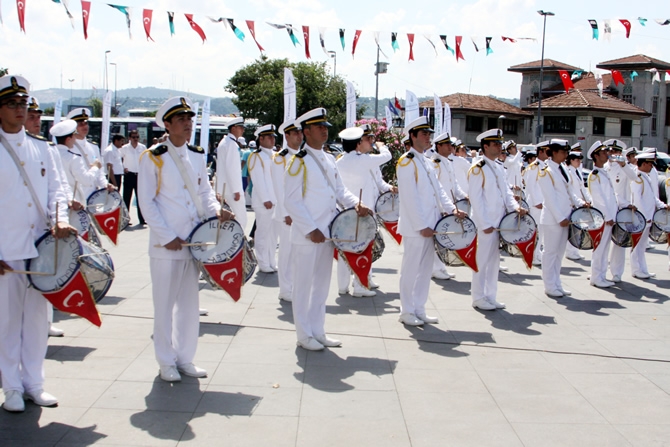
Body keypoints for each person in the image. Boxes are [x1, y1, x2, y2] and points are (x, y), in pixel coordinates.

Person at [138, 97, 233, 382]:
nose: (188, 123)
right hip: (166, 245)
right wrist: (167, 236)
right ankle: (165, 360)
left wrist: (216, 212)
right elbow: (147, 202)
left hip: (194, 241)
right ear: (166, 124)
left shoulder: (196, 154)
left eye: (189, 118)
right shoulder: (153, 157)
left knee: (189, 305)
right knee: (164, 305)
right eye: (181, 119)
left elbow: (204, 192)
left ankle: (185, 358)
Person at [0, 75, 75, 412]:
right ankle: (11, 386)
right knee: (6, 321)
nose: (20, 110)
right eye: (12, 104)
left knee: (37, 319)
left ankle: (34, 382)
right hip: (7, 250)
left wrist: (61, 220)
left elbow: (57, 188)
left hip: (42, 248)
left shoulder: (42, 146)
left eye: (23, 104)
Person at [284, 108, 372, 350]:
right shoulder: (297, 162)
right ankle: (304, 335)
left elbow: (340, 191)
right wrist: (310, 229)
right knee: (303, 287)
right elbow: (291, 201)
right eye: (318, 126)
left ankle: (318, 330)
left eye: (325, 126)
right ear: (306, 131)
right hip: (308, 235)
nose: (324, 130)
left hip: (328, 232)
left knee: (321, 286)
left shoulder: (329, 159)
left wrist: (357, 204)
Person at [396, 117, 464, 325]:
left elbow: (439, 191)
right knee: (411, 269)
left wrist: (451, 209)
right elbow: (409, 197)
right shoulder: (406, 162)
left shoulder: (426, 162)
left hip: (431, 225)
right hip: (416, 227)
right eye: (424, 134)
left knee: (425, 270)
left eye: (429, 134)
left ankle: (419, 307)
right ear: (413, 136)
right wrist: (421, 225)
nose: (428, 138)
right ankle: (406, 310)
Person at [468, 129, 526, 311]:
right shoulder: (478, 169)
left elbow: (506, 192)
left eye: (500, 143)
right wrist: (485, 223)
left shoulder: (498, 167)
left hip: (499, 223)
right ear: (485, 146)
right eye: (496, 144)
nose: (500, 146)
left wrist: (515, 208)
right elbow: (475, 198)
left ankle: (490, 296)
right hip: (485, 224)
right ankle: (478, 297)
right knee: (482, 262)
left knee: (494, 262)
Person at [335, 125, 392, 297]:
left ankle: (343, 286)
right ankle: (360, 286)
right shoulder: (364, 160)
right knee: (363, 248)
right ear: (358, 144)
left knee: (344, 248)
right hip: (363, 210)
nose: (371, 142)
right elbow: (387, 156)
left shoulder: (338, 161)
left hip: (345, 211)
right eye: (367, 140)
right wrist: (382, 146)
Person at [537, 139, 585, 297]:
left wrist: (581, 203)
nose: (566, 155)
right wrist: (559, 217)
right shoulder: (546, 171)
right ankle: (549, 285)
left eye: (566, 152)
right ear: (554, 153)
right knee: (550, 252)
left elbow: (570, 191)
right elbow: (549, 198)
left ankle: (557, 283)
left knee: (559, 253)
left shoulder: (563, 168)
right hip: (553, 219)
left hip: (566, 216)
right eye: (563, 152)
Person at [272, 119, 302, 302]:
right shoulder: (280, 158)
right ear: (287, 136)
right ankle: (285, 289)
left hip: (300, 212)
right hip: (287, 215)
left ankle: (293, 286)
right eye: (295, 133)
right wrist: (286, 213)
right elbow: (279, 188)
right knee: (286, 252)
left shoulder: (302, 156)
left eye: (300, 132)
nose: (299, 136)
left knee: (297, 252)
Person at [430, 132, 467, 280]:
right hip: (440, 207)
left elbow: (454, 185)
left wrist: (464, 196)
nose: (450, 147)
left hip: (450, 205)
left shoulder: (448, 162)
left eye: (451, 145)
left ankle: (441, 267)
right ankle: (435, 268)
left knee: (443, 239)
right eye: (447, 145)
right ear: (439, 146)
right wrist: (443, 208)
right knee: (437, 239)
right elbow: (436, 189)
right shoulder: (435, 164)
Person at [630, 152, 668, 279]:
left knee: (642, 245)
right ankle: (636, 269)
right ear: (644, 163)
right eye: (650, 164)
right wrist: (644, 217)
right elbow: (637, 199)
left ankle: (643, 269)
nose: (652, 166)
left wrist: (662, 205)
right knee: (637, 245)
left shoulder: (645, 176)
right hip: (641, 217)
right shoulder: (637, 177)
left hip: (648, 217)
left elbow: (651, 197)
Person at [248, 124, 279, 273]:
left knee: (273, 235)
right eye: (269, 137)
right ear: (261, 138)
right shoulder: (256, 156)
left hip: (275, 201)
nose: (273, 140)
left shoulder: (274, 155)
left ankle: (271, 261)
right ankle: (262, 262)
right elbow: (258, 179)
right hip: (263, 202)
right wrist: (265, 198)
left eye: (273, 137)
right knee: (262, 233)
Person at [605, 139, 637, 283]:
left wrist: (623, 164)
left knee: (619, 243)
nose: (613, 154)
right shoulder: (603, 167)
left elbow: (634, 178)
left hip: (621, 209)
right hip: (606, 208)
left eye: (616, 152)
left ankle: (617, 272)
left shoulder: (625, 167)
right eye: (611, 151)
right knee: (602, 241)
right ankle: (599, 270)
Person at [587, 142, 618, 288]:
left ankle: (602, 275)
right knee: (599, 248)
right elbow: (599, 199)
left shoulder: (604, 172)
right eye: (604, 153)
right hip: (603, 218)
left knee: (605, 248)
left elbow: (611, 196)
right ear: (596, 156)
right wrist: (607, 216)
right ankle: (596, 276)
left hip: (609, 217)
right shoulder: (594, 176)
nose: (607, 154)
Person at [216, 117, 246, 231]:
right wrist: (236, 190)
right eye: (241, 127)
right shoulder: (232, 144)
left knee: (228, 222)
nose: (242, 130)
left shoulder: (225, 142)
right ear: (234, 128)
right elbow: (232, 169)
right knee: (240, 220)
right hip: (232, 190)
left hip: (225, 189)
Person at [522, 142, 548, 265]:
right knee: (535, 231)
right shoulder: (534, 166)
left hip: (543, 203)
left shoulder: (545, 165)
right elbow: (531, 185)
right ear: (541, 151)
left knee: (541, 231)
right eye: (547, 151)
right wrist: (537, 201)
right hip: (536, 204)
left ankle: (537, 253)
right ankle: (532, 255)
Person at [564, 149, 591, 261]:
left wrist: (588, 199)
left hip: (580, 203)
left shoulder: (577, 171)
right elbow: (571, 190)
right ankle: (570, 251)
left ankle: (575, 250)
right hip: (573, 203)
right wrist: (578, 202)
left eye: (580, 160)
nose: (579, 162)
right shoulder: (568, 172)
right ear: (571, 160)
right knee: (573, 228)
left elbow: (582, 188)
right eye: (576, 160)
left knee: (579, 228)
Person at [119, 129, 146, 226]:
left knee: (140, 198)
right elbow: (118, 158)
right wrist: (123, 168)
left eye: (137, 137)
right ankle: (125, 220)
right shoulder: (125, 148)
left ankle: (142, 219)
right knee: (126, 198)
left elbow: (146, 160)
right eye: (133, 137)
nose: (136, 139)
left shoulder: (142, 147)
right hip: (129, 174)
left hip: (139, 175)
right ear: (129, 138)